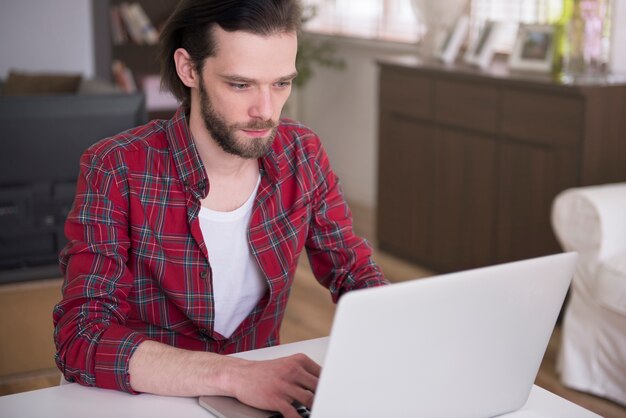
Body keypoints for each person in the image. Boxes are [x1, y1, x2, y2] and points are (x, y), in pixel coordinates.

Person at [53, 1, 386, 417]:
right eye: (241, 85)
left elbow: (354, 273)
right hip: (143, 402)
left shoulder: (303, 152)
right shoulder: (117, 167)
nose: (266, 111)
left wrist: (399, 331)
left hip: (259, 401)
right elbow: (81, 338)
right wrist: (232, 375)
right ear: (189, 69)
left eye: (281, 83)